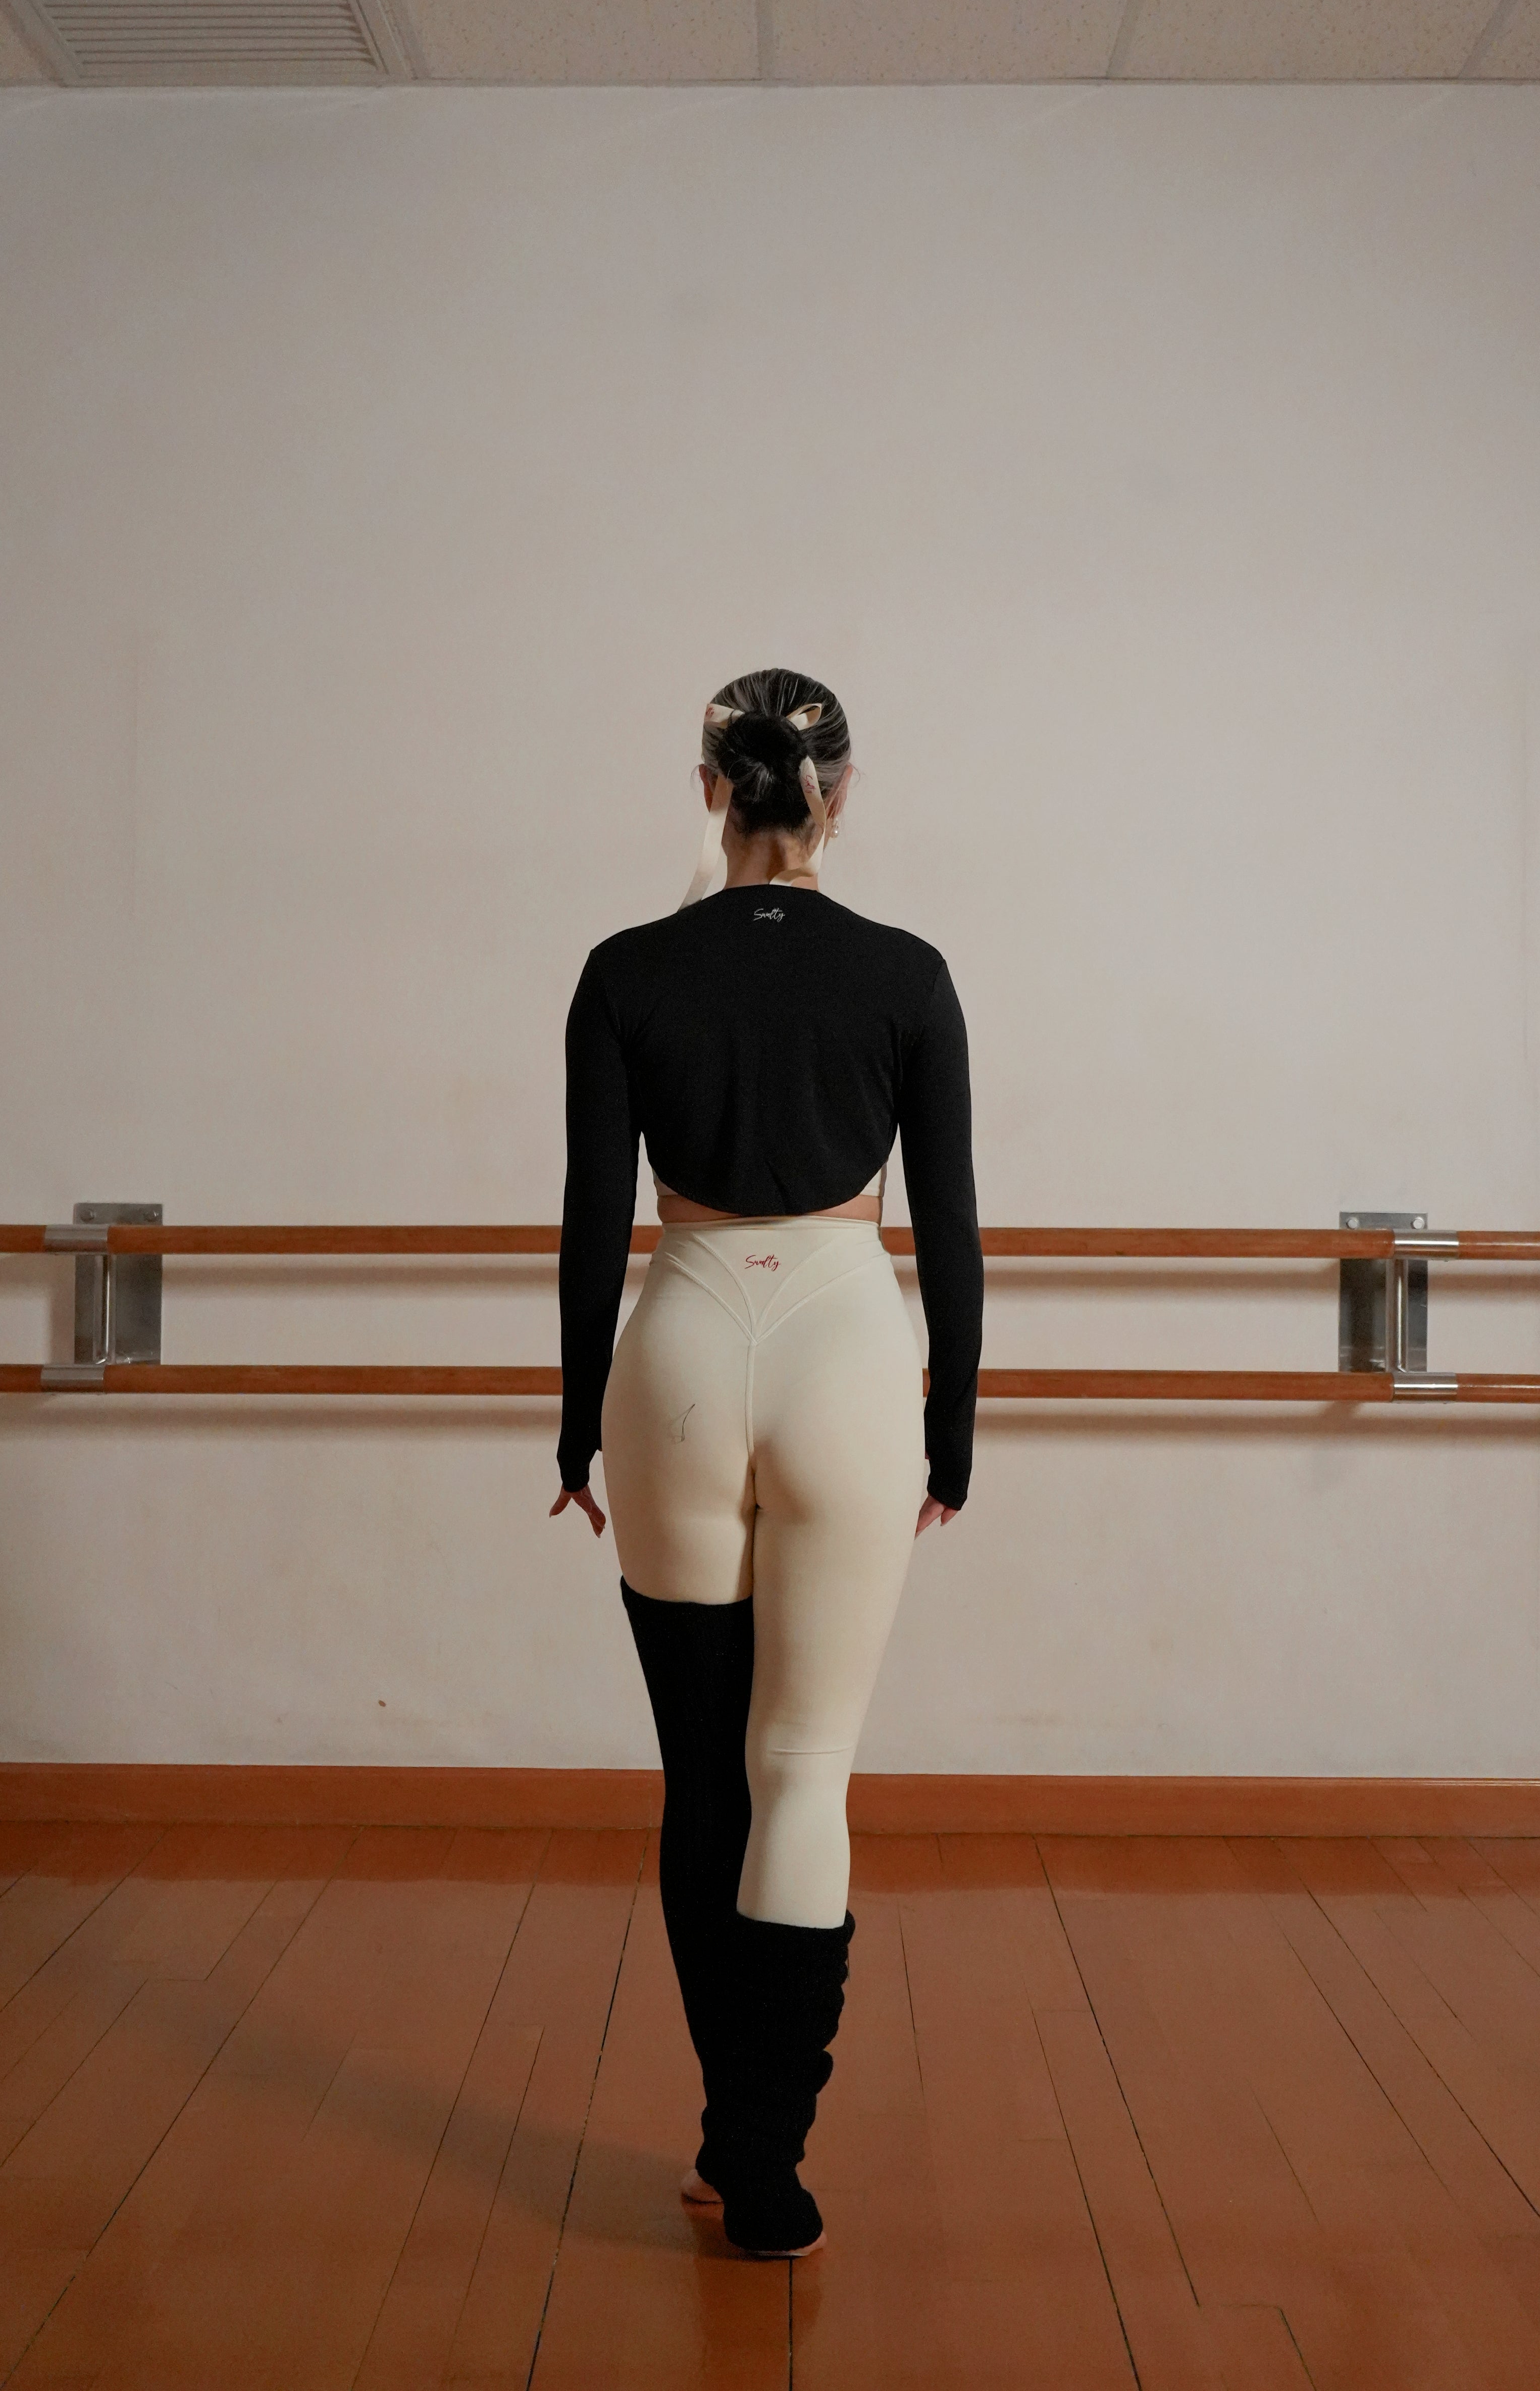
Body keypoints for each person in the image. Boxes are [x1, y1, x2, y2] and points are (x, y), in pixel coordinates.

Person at [550, 672, 982, 2259]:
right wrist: (954, 1427)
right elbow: (951, 1224)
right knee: (801, 1766)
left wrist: (574, 1420)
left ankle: (727, 2135)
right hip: (849, 1354)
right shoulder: (908, 975)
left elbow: (593, 1220)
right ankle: (768, 2165)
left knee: (702, 1773)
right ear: (839, 793)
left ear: (709, 787)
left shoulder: (625, 972)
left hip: (675, 1347)